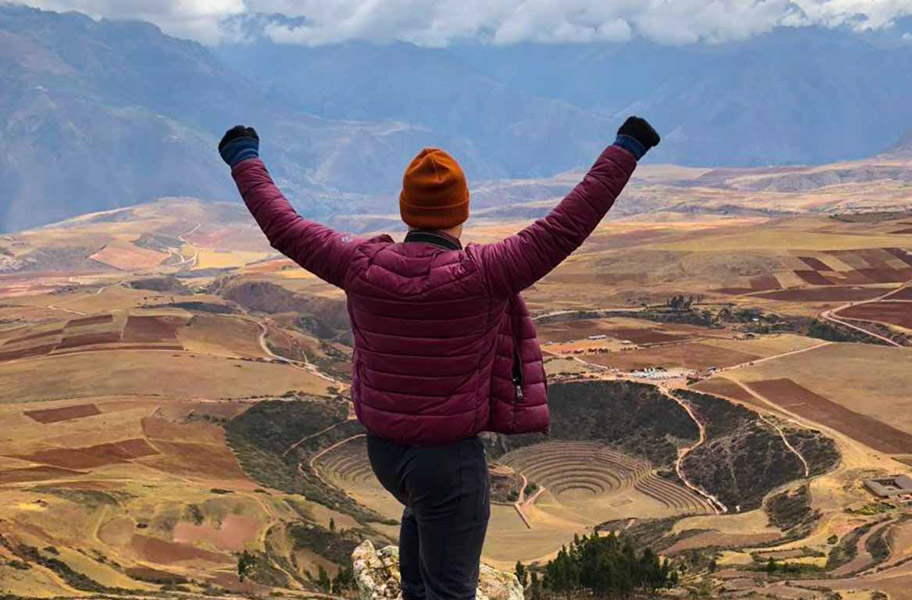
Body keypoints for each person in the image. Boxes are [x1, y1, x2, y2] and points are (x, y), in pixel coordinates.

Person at [219, 117, 660, 600]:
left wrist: (245, 157)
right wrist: (627, 148)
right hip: (448, 463)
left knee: (419, 560)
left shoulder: (359, 265)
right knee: (451, 590)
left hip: (385, 452)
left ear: (406, 211)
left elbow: (283, 226)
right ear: (462, 212)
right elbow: (566, 226)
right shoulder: (484, 273)